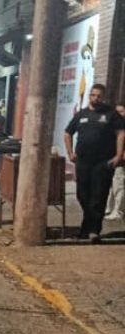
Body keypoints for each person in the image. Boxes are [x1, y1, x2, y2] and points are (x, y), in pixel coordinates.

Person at [63, 83, 125, 242]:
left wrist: (119, 155)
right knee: (82, 195)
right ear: (89, 95)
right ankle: (88, 226)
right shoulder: (81, 115)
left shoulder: (111, 114)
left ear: (103, 97)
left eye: (99, 96)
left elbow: (121, 133)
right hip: (83, 161)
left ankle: (93, 231)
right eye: (93, 95)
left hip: (103, 162)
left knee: (98, 196)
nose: (95, 98)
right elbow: (67, 133)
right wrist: (70, 152)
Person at [106, 103, 125, 221]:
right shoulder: (116, 125)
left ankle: (118, 211)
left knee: (119, 185)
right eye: (117, 112)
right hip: (115, 159)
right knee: (113, 185)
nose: (119, 114)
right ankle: (110, 208)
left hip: (122, 160)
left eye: (122, 111)